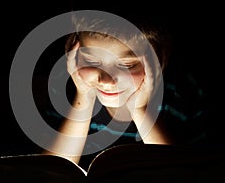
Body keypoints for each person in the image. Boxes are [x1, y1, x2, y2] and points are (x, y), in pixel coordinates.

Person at [41, 12, 208, 170]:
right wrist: (83, 99)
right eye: (91, 61)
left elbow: (180, 174)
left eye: (127, 65)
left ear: (161, 56)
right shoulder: (65, 88)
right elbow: (50, 173)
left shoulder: (182, 93)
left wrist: (140, 110)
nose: (106, 80)